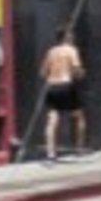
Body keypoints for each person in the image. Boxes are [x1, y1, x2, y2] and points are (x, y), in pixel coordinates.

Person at [39, 26, 88, 162]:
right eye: (71, 35)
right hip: (66, 84)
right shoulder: (71, 50)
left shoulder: (51, 52)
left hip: (52, 86)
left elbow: (43, 72)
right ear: (66, 37)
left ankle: (51, 153)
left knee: (52, 119)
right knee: (79, 117)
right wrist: (81, 74)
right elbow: (77, 69)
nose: (73, 37)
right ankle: (79, 148)